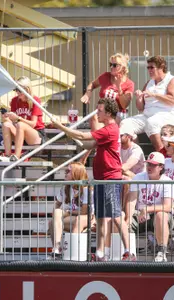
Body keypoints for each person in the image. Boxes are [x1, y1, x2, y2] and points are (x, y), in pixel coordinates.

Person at [53, 98, 134, 261]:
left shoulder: (110, 129)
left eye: (100, 110)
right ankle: (99, 253)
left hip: (110, 178)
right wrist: (74, 137)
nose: (97, 112)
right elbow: (88, 144)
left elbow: (84, 135)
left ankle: (129, 251)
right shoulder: (107, 130)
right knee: (102, 218)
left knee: (116, 216)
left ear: (109, 113)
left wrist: (61, 127)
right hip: (101, 179)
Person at [120, 55, 174, 152]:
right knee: (125, 123)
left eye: (152, 67)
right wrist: (139, 98)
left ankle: (162, 154)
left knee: (152, 123)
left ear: (161, 67)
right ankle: (136, 155)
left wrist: (154, 95)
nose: (149, 70)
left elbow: (173, 100)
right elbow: (140, 108)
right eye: (148, 67)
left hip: (170, 114)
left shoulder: (172, 80)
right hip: (148, 115)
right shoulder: (149, 83)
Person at [128, 152, 174, 262]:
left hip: (160, 217)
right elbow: (131, 200)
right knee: (123, 218)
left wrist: (147, 209)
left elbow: (167, 206)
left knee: (161, 215)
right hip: (140, 216)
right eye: (148, 164)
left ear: (161, 167)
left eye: (153, 165)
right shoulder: (139, 177)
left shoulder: (167, 181)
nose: (149, 167)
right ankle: (127, 253)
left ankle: (161, 252)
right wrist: (128, 217)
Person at [48, 162, 93, 259]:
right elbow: (57, 204)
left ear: (76, 173)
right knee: (53, 219)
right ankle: (57, 248)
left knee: (55, 219)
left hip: (86, 217)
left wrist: (68, 212)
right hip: (71, 216)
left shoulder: (86, 189)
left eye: (68, 171)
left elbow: (85, 211)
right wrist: (56, 215)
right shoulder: (66, 188)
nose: (65, 173)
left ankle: (58, 249)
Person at [0, 76, 45, 162]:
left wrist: (18, 118)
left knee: (21, 124)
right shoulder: (14, 101)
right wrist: (7, 118)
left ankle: (16, 157)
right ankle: (7, 155)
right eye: (16, 90)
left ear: (27, 89)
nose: (17, 92)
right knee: (6, 124)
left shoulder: (35, 100)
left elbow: (33, 124)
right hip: (19, 133)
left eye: (20, 90)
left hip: (35, 134)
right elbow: (13, 122)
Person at [81, 53, 134, 129]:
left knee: (109, 120)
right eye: (110, 64)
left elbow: (124, 105)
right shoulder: (106, 76)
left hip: (117, 114)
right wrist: (88, 93)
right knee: (94, 117)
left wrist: (119, 88)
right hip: (101, 112)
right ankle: (100, 139)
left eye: (115, 65)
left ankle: (102, 138)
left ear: (123, 67)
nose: (111, 67)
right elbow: (92, 84)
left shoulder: (129, 84)